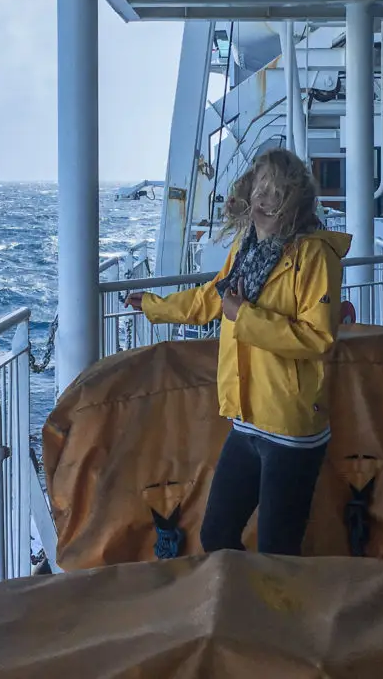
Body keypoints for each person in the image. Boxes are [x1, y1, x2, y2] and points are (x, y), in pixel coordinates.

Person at [125, 149, 351, 556]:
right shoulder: (246, 248)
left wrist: (243, 316)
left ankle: (275, 617)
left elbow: (318, 338)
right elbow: (210, 300)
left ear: (295, 202)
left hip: (290, 428)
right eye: (260, 190)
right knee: (216, 535)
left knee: (277, 549)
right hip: (246, 421)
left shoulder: (315, 255)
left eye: (276, 193)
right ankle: (244, 610)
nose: (265, 201)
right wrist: (153, 307)